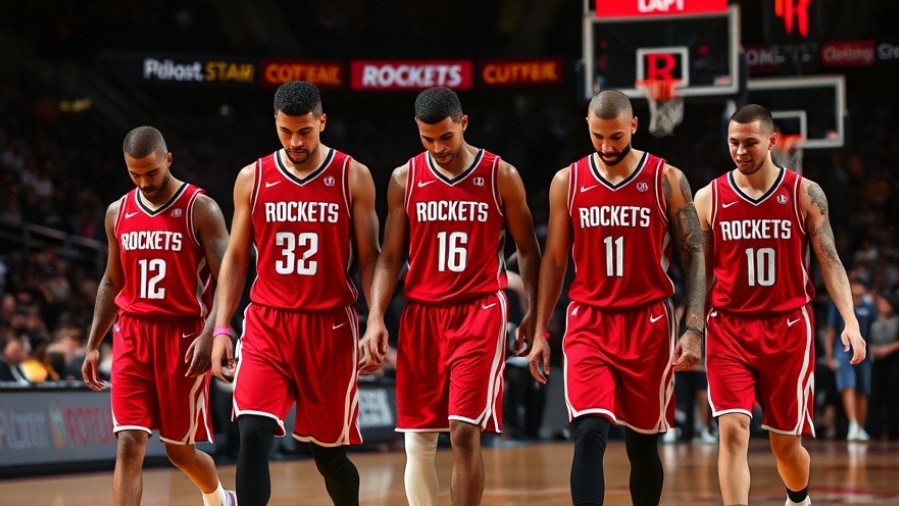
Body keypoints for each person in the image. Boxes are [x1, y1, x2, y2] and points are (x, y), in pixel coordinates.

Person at [359, 87, 541, 506]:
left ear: (463, 123)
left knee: (462, 430)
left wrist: (532, 310)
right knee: (417, 439)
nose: (438, 147)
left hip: (479, 310)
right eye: (427, 139)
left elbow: (528, 249)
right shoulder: (405, 178)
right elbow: (390, 257)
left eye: (445, 137)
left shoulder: (501, 175)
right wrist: (375, 318)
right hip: (422, 313)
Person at [527, 90, 706, 506]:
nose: (607, 147)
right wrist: (540, 331)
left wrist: (694, 327)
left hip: (650, 323)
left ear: (634, 127)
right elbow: (554, 260)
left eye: (616, 138)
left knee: (643, 446)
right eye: (598, 137)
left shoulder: (666, 179)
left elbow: (695, 254)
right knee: (589, 432)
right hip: (589, 320)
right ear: (587, 127)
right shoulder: (566, 181)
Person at [209, 80, 380, 506]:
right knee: (251, 431)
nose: (295, 140)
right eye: (286, 131)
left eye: (305, 130)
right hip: (269, 322)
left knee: (328, 456)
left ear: (322, 122)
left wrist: (376, 321)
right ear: (275, 124)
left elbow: (372, 257)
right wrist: (221, 329)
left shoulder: (352, 175)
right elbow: (234, 259)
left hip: (331, 325)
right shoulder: (253, 177)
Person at [693, 104, 867, 506]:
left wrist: (850, 322)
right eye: (733, 142)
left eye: (750, 142)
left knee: (785, 446)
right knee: (733, 430)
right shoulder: (708, 197)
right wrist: (692, 328)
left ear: (772, 141)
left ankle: (798, 497)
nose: (740, 150)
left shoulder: (805, 193)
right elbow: (699, 273)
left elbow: (830, 260)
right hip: (729, 327)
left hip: (788, 327)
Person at [80, 126, 235, 506]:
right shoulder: (117, 212)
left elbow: (228, 279)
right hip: (131, 334)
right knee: (129, 443)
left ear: (168, 159)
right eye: (135, 175)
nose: (144, 182)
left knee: (178, 451)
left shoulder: (201, 208)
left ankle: (217, 498)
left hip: (183, 338)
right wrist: (93, 344)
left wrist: (212, 333)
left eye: (151, 172)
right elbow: (111, 281)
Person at [823, 276, 876, 441]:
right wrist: (829, 355)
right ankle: (852, 424)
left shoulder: (869, 306)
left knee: (863, 390)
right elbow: (830, 331)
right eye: (854, 283)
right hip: (843, 350)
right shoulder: (838, 304)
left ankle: (860, 427)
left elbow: (874, 329)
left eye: (860, 284)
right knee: (848, 385)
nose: (857, 287)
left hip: (865, 352)